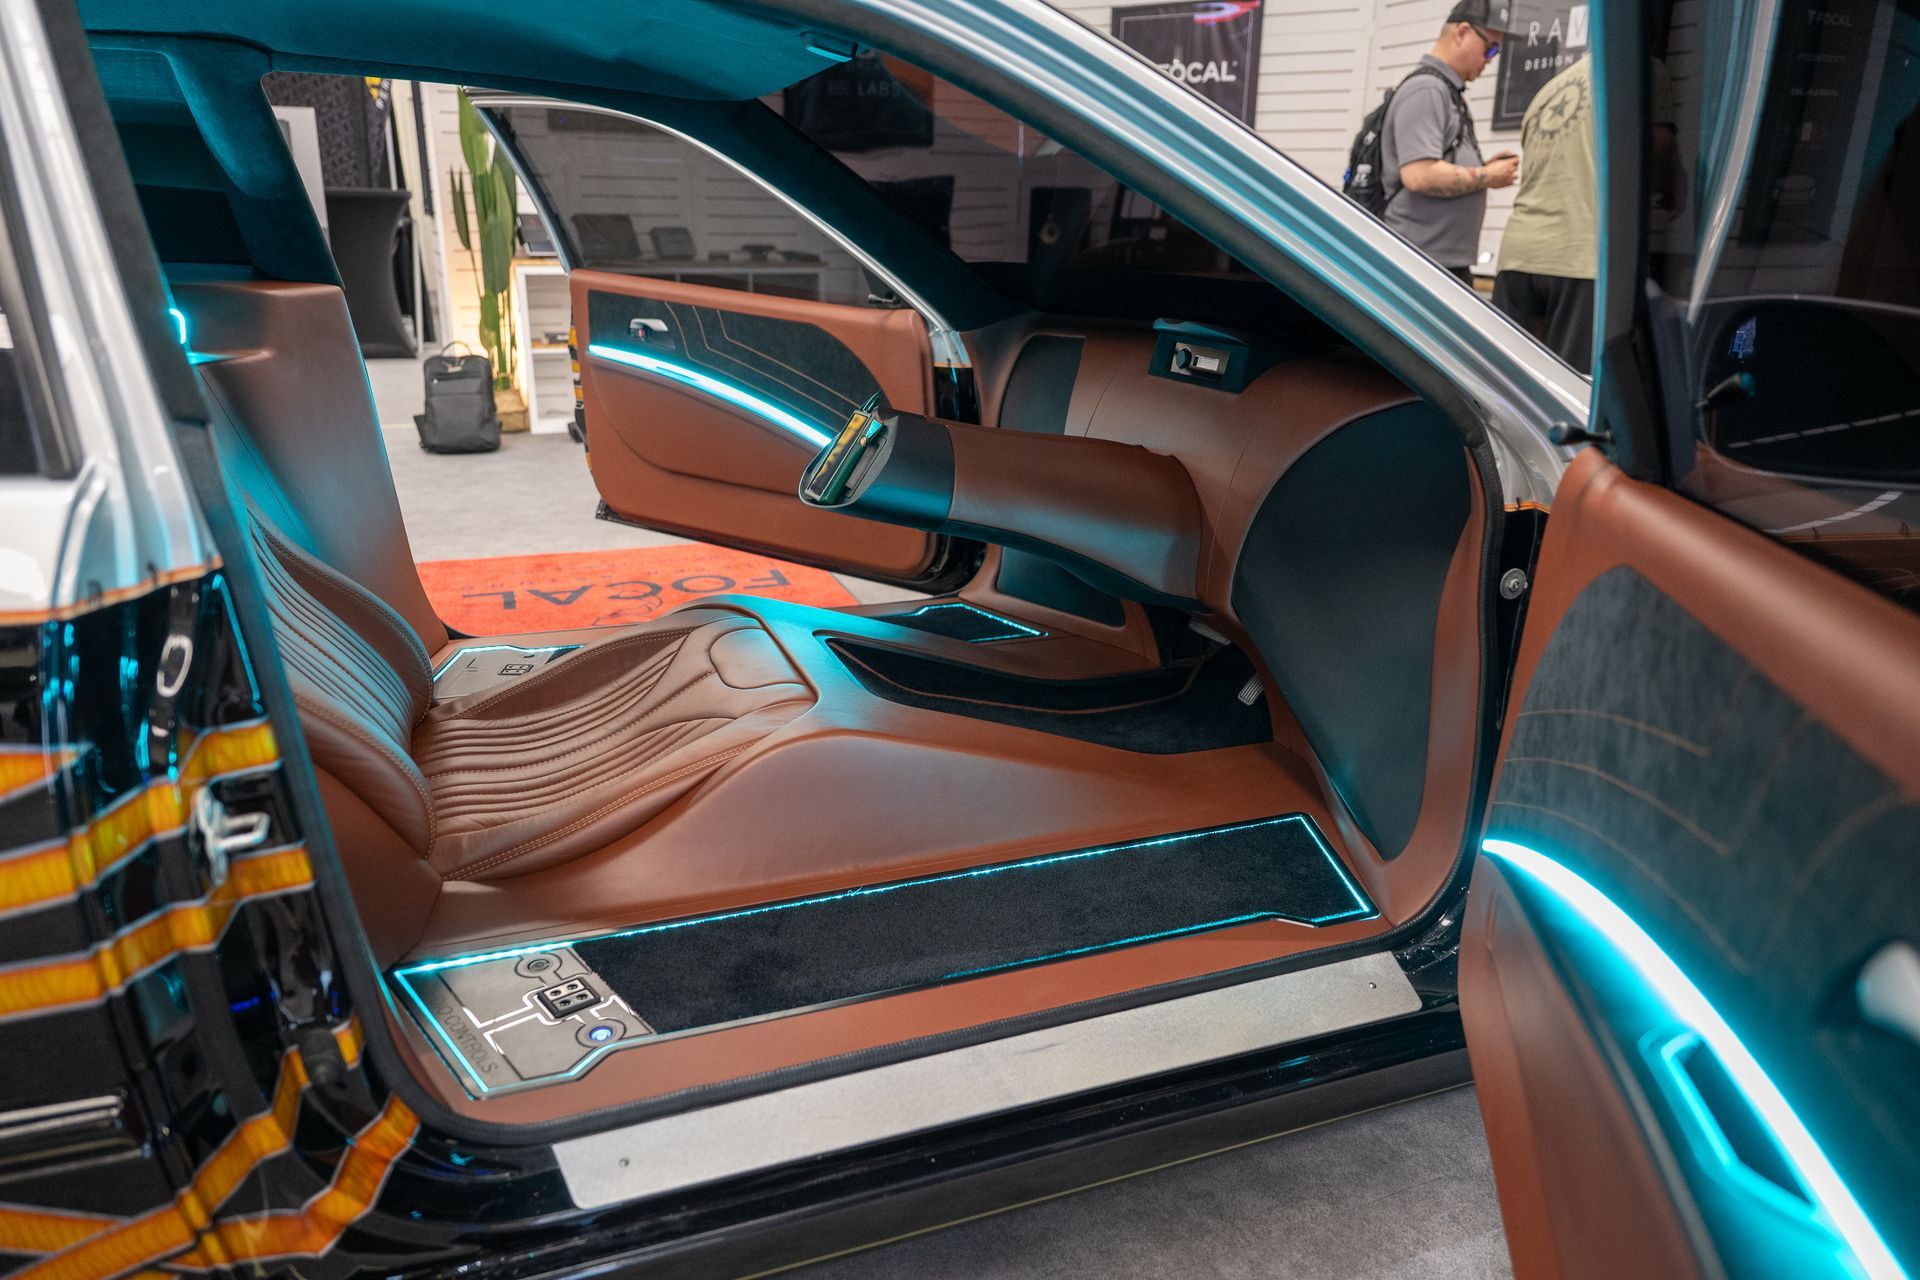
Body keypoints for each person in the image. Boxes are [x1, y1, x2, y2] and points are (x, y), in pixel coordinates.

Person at [1494, 54, 1678, 373]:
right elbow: (1658, 144)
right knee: (1572, 386)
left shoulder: (1547, 91)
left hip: (1518, 255)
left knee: (1506, 380)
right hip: (1578, 256)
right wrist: (1671, 187)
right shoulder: (1639, 67)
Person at [1380, 0, 1520, 284]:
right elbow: (1419, 175)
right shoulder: (1428, 89)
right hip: (1422, 263)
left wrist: (1481, 168)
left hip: (1437, 261)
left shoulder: (1445, 90)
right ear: (1462, 33)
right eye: (1491, 48)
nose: (1491, 59)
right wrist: (1486, 176)